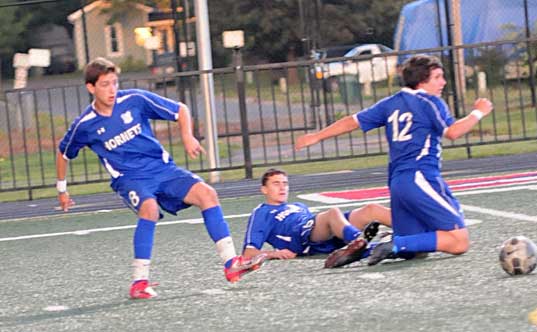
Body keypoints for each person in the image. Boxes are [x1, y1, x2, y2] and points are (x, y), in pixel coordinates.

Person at [55, 57, 266, 299]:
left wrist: (187, 136)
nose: (112, 89)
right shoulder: (85, 124)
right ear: (91, 88)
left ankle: (231, 264)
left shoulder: (134, 99)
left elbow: (181, 110)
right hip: (130, 179)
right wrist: (62, 190)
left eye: (114, 82)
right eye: (105, 84)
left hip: (163, 170)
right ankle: (139, 282)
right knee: (150, 209)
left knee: (207, 194)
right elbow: (63, 152)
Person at [295, 54, 493, 266]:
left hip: (398, 183)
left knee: (414, 249)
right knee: (459, 241)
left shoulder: (391, 103)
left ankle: (370, 248)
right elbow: (452, 132)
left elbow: (351, 122)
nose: (443, 82)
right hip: (421, 178)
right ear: (422, 80)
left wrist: (316, 136)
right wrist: (478, 112)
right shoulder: (430, 101)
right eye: (437, 77)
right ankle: (392, 244)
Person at [241, 168, 392, 267]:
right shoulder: (262, 212)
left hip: (324, 231)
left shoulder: (298, 205)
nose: (282, 188)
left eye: (285, 184)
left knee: (371, 210)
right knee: (333, 213)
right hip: (303, 238)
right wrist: (274, 254)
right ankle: (360, 244)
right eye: (276, 184)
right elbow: (248, 253)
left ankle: (411, 232)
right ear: (264, 189)